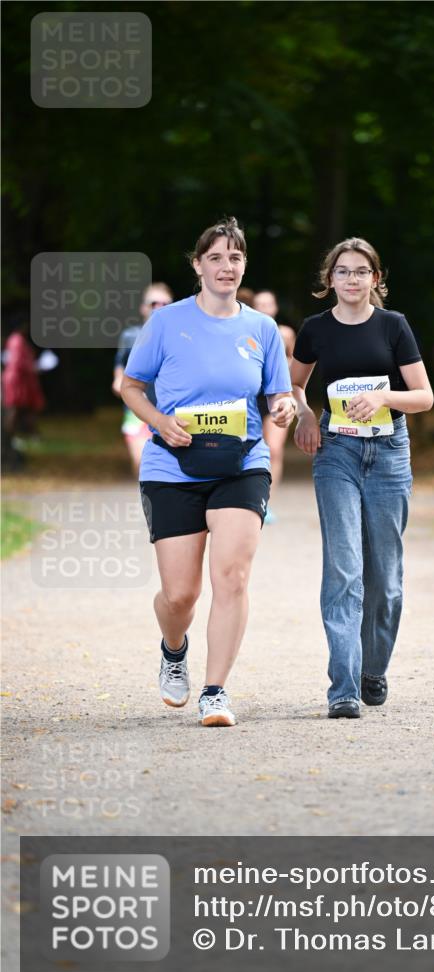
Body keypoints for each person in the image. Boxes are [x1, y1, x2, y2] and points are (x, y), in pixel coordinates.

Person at [121, 218, 296, 727]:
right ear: (197, 265)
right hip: (171, 464)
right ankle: (173, 649)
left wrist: (283, 409)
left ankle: (215, 692)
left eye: (235, 257)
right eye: (216, 257)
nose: (226, 266)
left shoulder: (260, 329)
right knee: (180, 595)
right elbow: (131, 387)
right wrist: (159, 422)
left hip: (241, 463)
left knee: (233, 577)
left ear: (245, 266)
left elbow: (277, 394)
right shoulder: (165, 323)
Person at [291, 237, 434, 719]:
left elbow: (425, 397)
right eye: (343, 271)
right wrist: (306, 417)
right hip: (337, 452)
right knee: (345, 570)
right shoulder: (315, 330)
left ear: (376, 279)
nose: (352, 280)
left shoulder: (394, 326)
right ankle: (345, 687)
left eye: (361, 272)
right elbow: (293, 382)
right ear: (329, 279)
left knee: (386, 579)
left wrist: (385, 398)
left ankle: (374, 668)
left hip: (389, 452)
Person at [112, 283, 174, 475]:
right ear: (144, 307)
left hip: (171, 411)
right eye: (154, 303)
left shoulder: (180, 336)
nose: (159, 307)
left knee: (169, 468)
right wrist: (118, 381)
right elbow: (120, 365)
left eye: (165, 303)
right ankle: (147, 502)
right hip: (138, 410)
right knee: (141, 462)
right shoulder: (130, 336)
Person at [253, 289, 297, 520]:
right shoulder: (245, 331)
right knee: (250, 448)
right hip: (250, 398)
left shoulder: (285, 333)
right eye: (258, 304)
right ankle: (249, 497)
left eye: (267, 304)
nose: (263, 308)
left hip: (276, 397)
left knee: (274, 450)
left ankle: (266, 502)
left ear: (275, 308)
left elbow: (297, 364)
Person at [1, 323, 45, 443]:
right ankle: (9, 438)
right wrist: (33, 368)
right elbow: (17, 362)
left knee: (23, 408)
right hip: (16, 380)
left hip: (20, 379)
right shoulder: (17, 340)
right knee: (15, 408)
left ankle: (24, 436)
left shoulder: (17, 340)